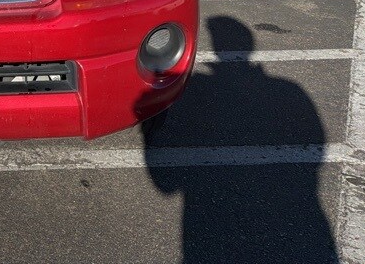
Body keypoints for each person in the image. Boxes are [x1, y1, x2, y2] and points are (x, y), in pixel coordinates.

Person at [141, 16, 337, 263]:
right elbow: (317, 155)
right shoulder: (290, 90)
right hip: (306, 222)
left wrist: (147, 129)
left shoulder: (200, 86)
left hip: (207, 228)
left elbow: (165, 184)